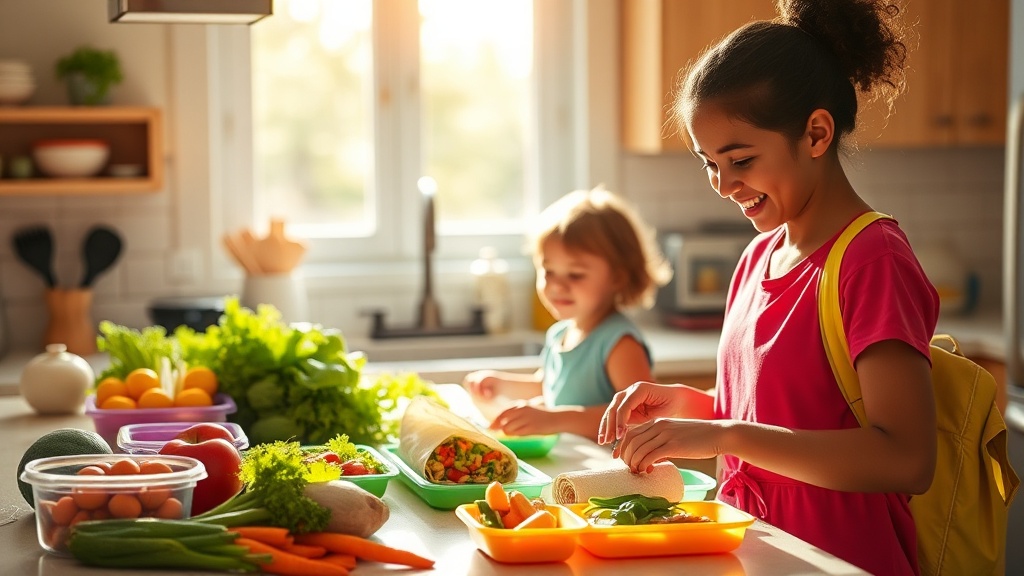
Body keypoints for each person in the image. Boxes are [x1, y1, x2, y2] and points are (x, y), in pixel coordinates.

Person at [597, 2, 937, 575]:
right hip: (757, 557)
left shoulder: (871, 259)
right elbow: (787, 422)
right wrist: (695, 414)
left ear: (816, 133)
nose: (723, 185)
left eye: (741, 160)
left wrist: (724, 432)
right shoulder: (758, 257)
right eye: (709, 163)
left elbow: (905, 458)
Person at [463, 186, 672, 441]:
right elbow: (551, 386)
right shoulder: (560, 334)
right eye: (549, 271)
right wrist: (500, 384)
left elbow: (639, 417)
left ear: (618, 276)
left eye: (575, 275)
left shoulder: (619, 343)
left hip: (610, 475)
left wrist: (554, 419)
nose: (557, 286)